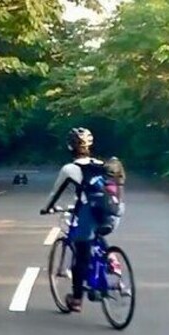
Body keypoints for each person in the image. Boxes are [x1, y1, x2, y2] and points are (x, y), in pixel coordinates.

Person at [42, 127, 106, 312]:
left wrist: (47, 209)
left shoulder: (70, 169)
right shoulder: (101, 164)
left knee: (82, 254)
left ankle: (77, 299)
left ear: (70, 147)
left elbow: (56, 193)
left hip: (88, 212)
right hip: (109, 211)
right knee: (99, 236)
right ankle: (112, 261)